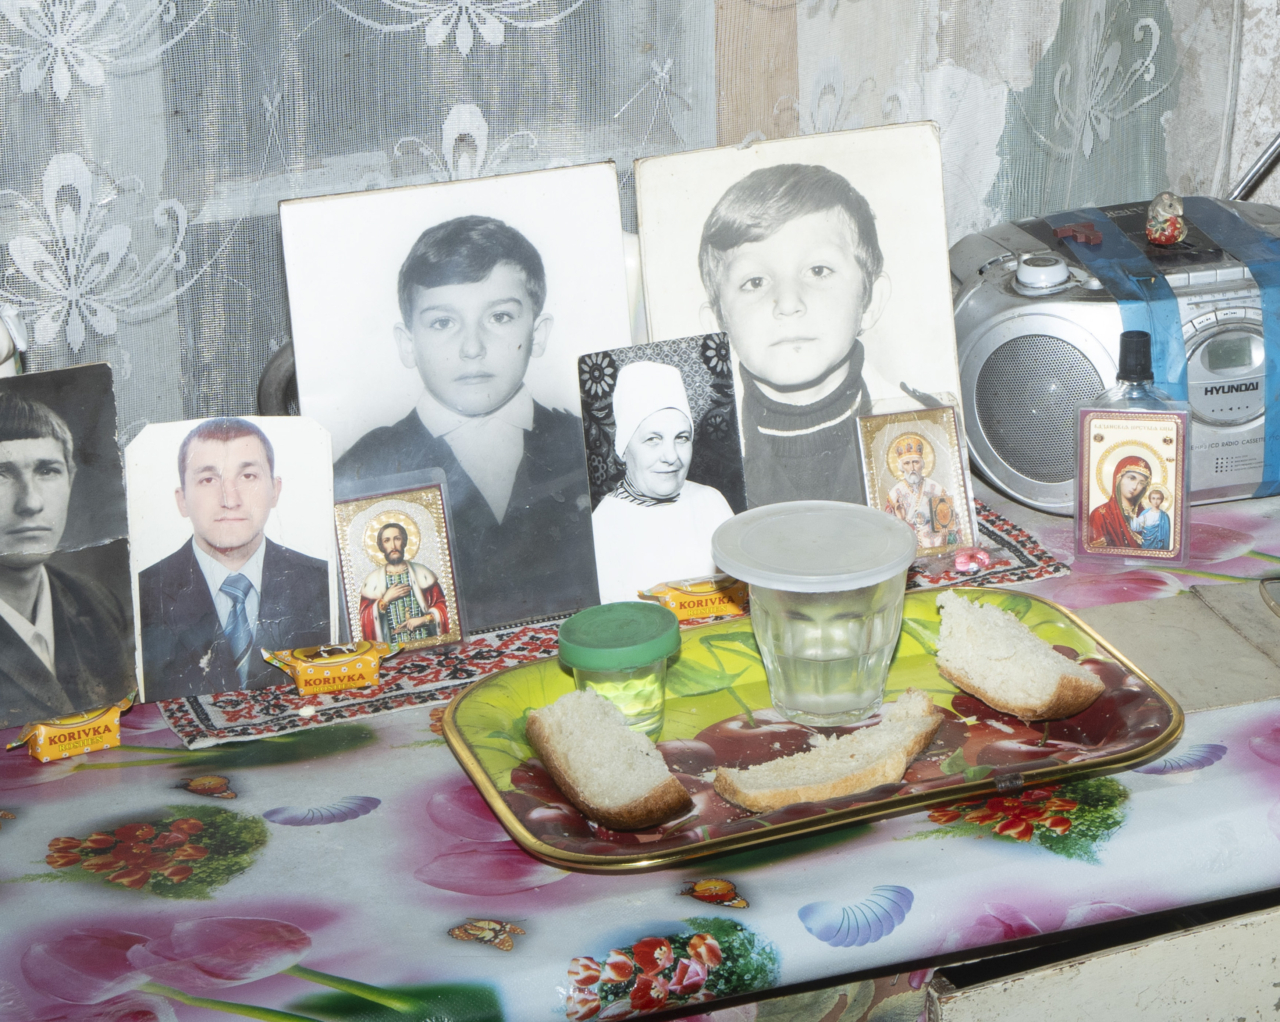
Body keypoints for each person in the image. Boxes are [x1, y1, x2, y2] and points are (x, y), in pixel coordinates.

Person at [334, 215, 596, 628]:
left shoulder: (588, 446)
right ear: (408, 344)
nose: (472, 348)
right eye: (443, 322)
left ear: (539, 333)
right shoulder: (363, 469)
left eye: (500, 318)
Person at [698, 164, 891, 508]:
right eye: (755, 282)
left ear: (870, 300)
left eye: (818, 271)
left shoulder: (929, 430)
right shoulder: (690, 468)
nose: (787, 303)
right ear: (718, 324)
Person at [139, 418, 330, 700]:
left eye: (248, 476)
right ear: (182, 500)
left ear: (275, 490)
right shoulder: (142, 595)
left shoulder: (324, 583)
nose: (230, 499)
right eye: (208, 479)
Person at [0, 393, 134, 728]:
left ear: (71, 481)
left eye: (47, 470)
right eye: (1, 474)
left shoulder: (97, 603)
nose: (30, 503)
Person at [590, 362, 734, 603]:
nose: (671, 457)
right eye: (653, 439)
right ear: (624, 450)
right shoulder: (605, 523)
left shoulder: (711, 501)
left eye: (682, 438)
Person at [358, 520, 449, 645]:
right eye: (387, 541)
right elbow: (363, 619)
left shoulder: (422, 573)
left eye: (397, 539)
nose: (393, 546)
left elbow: (444, 607)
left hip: (427, 644)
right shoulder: (372, 581)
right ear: (381, 546)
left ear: (404, 542)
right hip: (393, 648)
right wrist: (385, 601)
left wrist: (424, 619)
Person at [882, 433, 955, 551]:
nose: (912, 468)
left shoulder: (936, 488)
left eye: (915, 462)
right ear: (901, 467)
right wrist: (900, 517)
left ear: (922, 464)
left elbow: (947, 517)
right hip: (908, 533)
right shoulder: (895, 493)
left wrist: (944, 525)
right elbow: (888, 525)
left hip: (933, 534)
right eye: (907, 463)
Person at [1087, 455, 1151, 549]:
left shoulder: (1146, 515)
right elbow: (1099, 554)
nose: (1134, 486)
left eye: (1141, 483)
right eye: (1131, 478)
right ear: (1118, 478)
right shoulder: (1101, 515)